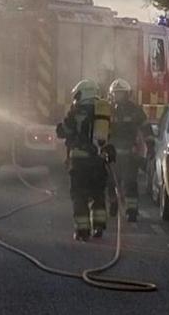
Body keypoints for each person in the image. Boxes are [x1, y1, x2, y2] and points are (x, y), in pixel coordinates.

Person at [56, 79, 113, 241]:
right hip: (99, 162)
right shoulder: (104, 112)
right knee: (98, 195)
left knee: (79, 195)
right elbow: (110, 135)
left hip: (79, 163)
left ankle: (82, 231)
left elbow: (64, 131)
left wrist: (60, 128)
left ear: (81, 94)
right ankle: (99, 227)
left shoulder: (76, 111)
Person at [106, 78, 149, 222]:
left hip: (130, 154)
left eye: (121, 94)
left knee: (130, 182)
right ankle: (113, 202)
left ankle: (132, 210)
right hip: (111, 155)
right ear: (112, 95)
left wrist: (151, 146)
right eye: (116, 94)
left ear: (127, 94)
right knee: (111, 181)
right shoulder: (106, 110)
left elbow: (146, 127)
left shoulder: (135, 110)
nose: (118, 97)